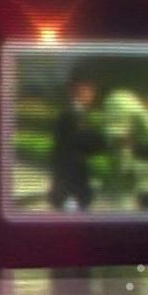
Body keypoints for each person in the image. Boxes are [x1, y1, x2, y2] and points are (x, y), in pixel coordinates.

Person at [48, 74, 101, 211]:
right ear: (79, 90)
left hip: (72, 183)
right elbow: (79, 143)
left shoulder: (77, 113)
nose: (92, 94)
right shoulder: (71, 115)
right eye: (89, 90)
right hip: (71, 185)